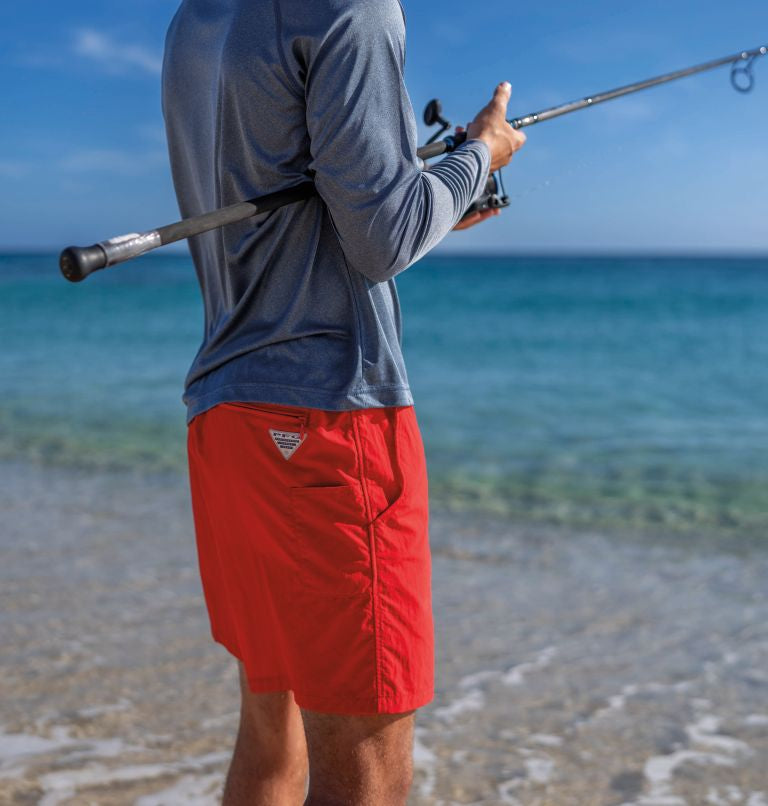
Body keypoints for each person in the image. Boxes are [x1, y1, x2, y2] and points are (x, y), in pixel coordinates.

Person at [161, 0, 525, 802]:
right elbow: (384, 238)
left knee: (269, 739)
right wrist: (481, 153)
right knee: (366, 771)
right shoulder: (352, 8)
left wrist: (426, 195)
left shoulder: (196, 17)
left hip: (227, 417)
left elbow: (319, 205)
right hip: (329, 421)